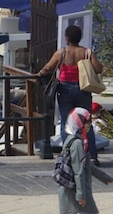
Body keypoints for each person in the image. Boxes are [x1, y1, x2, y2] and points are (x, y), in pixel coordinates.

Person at [38, 25, 104, 164]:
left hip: (65, 89)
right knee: (86, 122)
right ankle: (92, 156)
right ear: (79, 38)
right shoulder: (86, 52)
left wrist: (39, 74)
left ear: (66, 38)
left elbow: (48, 68)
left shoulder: (62, 52)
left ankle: (68, 154)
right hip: (83, 89)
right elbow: (99, 68)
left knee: (65, 122)